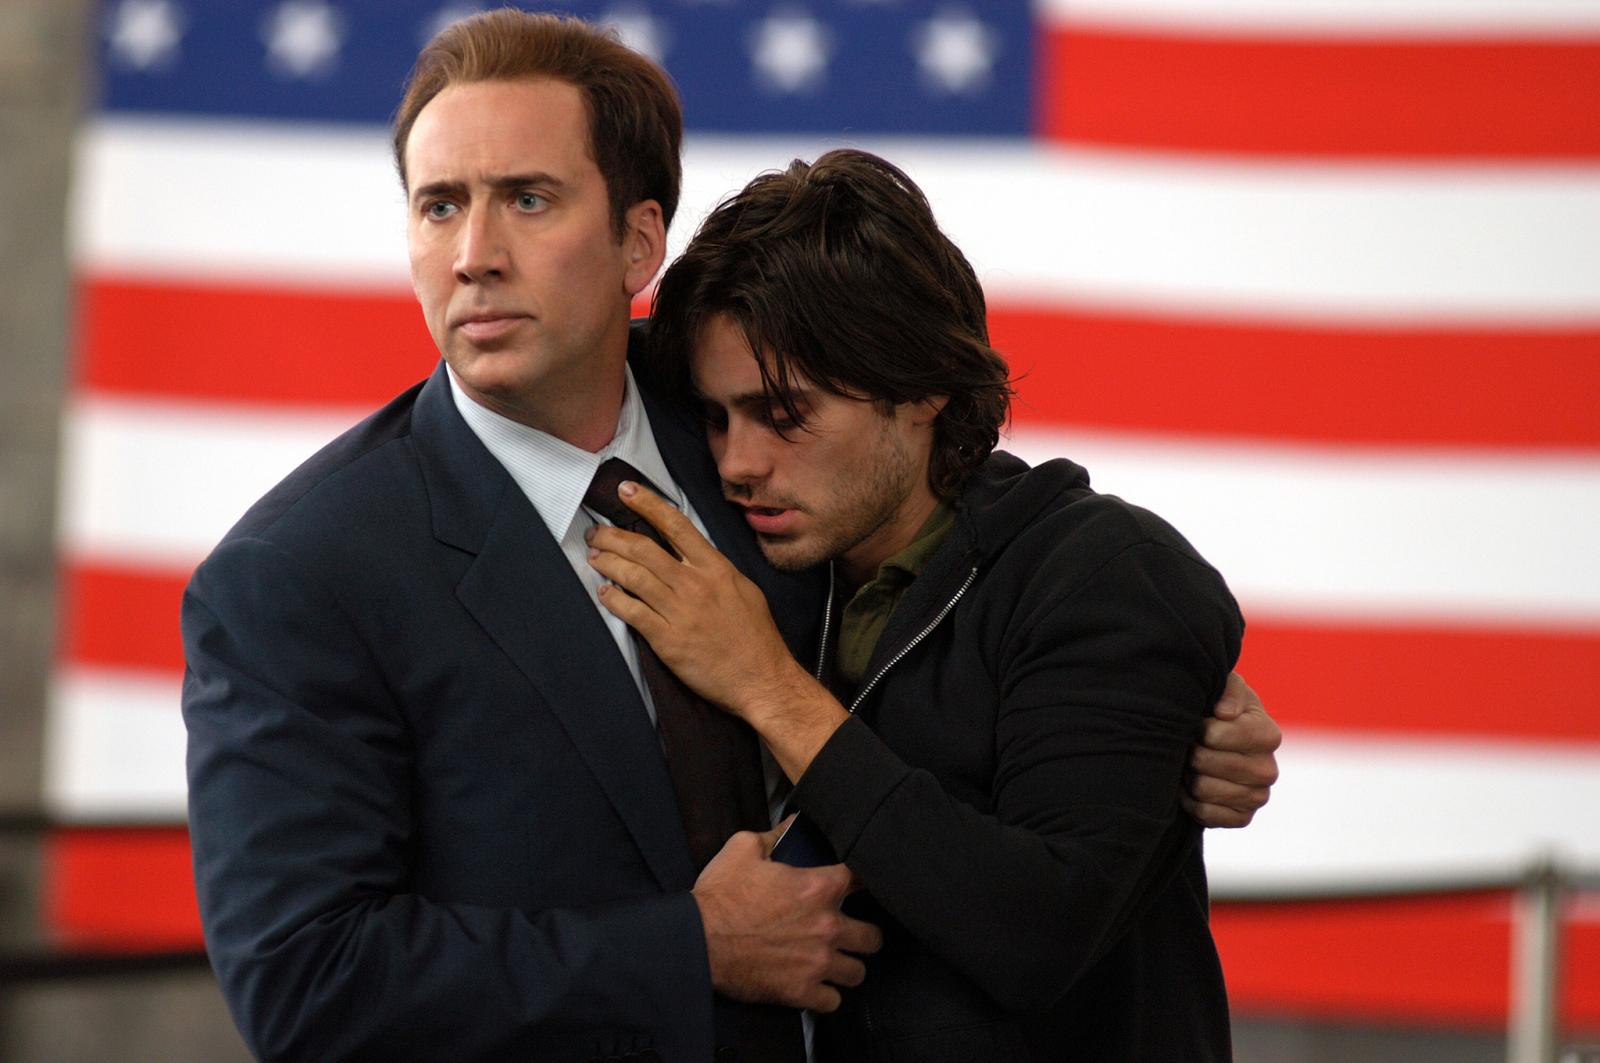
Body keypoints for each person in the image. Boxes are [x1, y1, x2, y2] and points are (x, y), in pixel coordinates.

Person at [180, 11, 1278, 1062]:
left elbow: (926, 489)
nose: (474, 253)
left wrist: (1152, 698)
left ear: (638, 241)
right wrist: (686, 950)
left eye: (527, 198)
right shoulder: (297, 576)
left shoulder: (730, 396)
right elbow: (302, 981)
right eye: (438, 206)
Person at [588, 148, 1251, 1060]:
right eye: (717, 416)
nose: (739, 462)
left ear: (923, 386)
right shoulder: (784, 560)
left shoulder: (1108, 574)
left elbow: (1037, 934)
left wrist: (768, 686)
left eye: (785, 414)